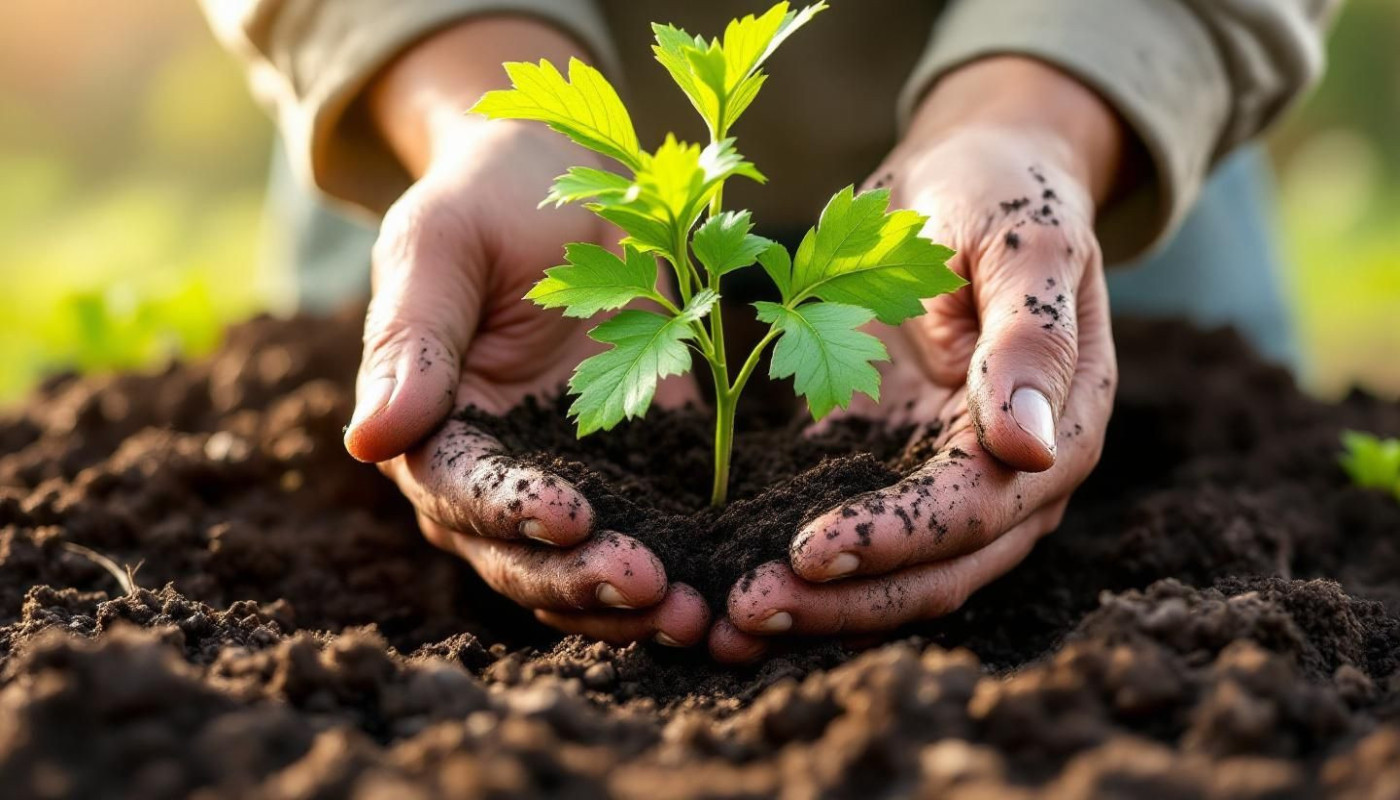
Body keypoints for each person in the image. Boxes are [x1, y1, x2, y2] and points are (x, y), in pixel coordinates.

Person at [202, 0, 1337, 662]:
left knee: (1217, 521)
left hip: (1098, 92)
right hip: (440, 90)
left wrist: (1043, 110)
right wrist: (464, 99)